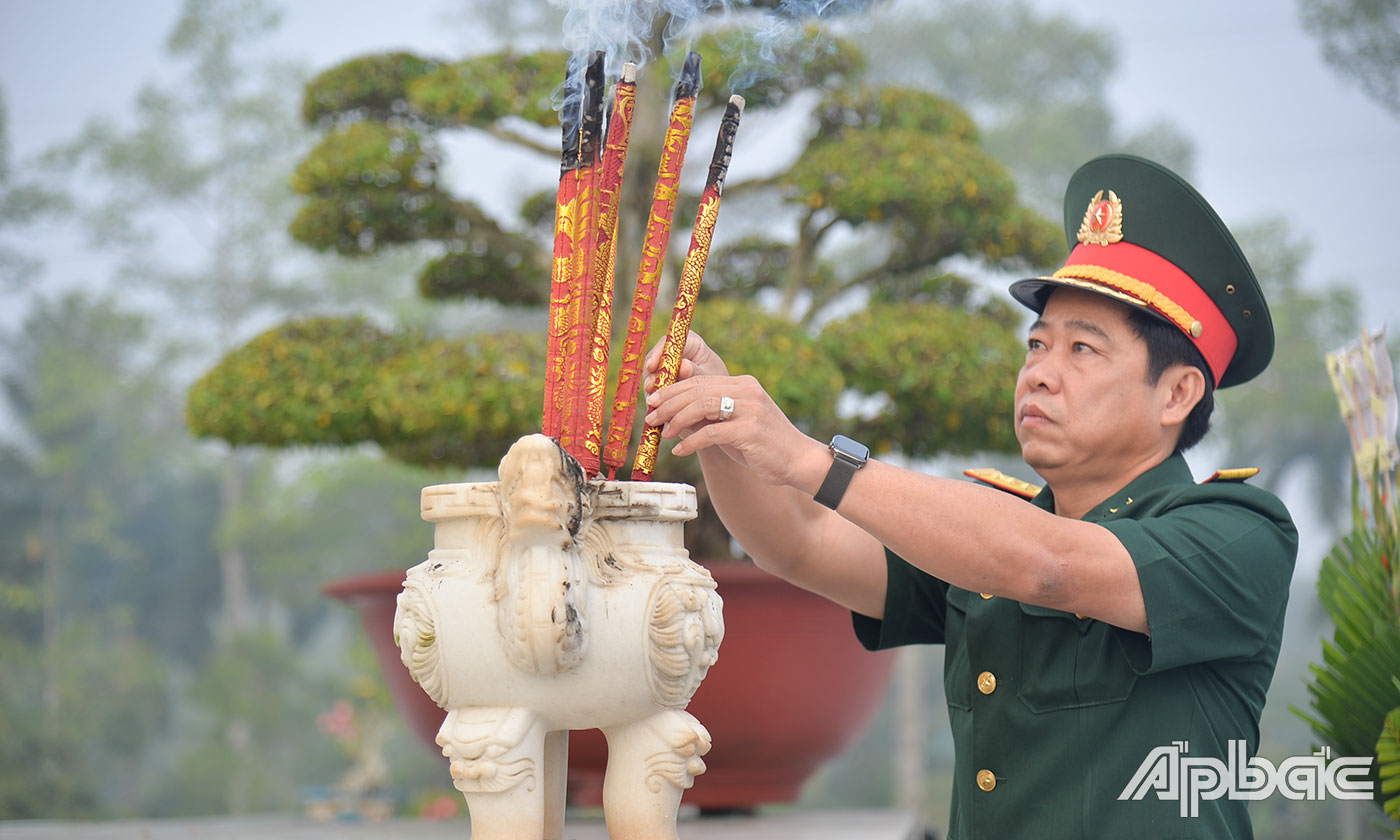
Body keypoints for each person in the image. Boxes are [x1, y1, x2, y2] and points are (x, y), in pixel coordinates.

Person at [642, 154, 1298, 839]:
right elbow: (800, 544)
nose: (1041, 373)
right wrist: (719, 428)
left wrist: (811, 457)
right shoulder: (986, 536)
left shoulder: (1238, 532)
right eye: (1036, 344)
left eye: (1083, 350)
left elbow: (1051, 565)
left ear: (1177, 393)